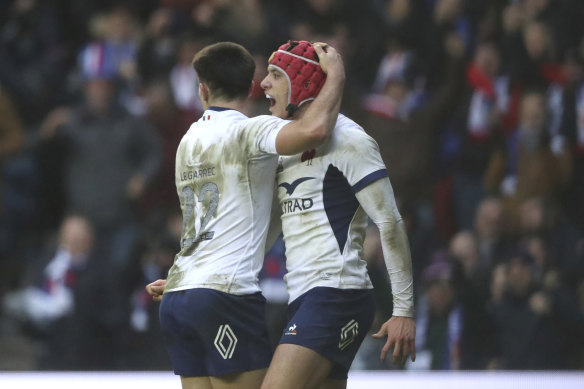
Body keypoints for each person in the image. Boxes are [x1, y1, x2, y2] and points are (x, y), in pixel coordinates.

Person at [146, 41, 345, 389]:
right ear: (252, 86)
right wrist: (336, 77)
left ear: (203, 89)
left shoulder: (188, 139)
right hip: (225, 295)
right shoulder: (249, 131)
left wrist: (189, 280)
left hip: (179, 294)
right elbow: (315, 131)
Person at [258, 41, 416, 389]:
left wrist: (403, 309)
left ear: (300, 81)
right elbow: (269, 228)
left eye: (274, 74)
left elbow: (389, 222)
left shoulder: (350, 140)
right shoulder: (284, 145)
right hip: (303, 297)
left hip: (336, 293)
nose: (263, 84)